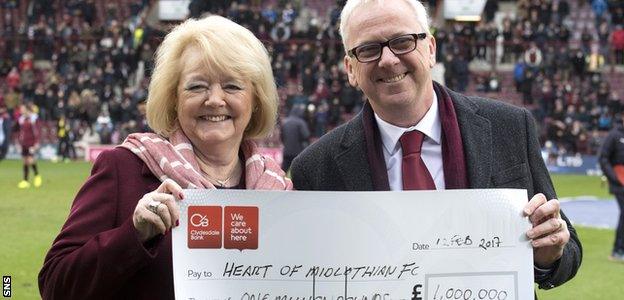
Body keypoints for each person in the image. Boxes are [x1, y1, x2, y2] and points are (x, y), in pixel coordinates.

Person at [291, 0, 581, 292]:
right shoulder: (315, 168)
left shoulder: (509, 126)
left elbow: (566, 251)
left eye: (403, 42)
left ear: (430, 49)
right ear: (350, 69)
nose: (388, 60)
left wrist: (548, 254)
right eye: (368, 50)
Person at [39, 15, 292, 300]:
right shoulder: (125, 169)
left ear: (255, 100)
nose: (215, 100)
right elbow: (54, 286)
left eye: (232, 86)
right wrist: (134, 235)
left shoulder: (280, 191)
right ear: (173, 98)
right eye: (197, 86)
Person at [598, 114, 624, 262]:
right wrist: (614, 177)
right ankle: (617, 250)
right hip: (619, 181)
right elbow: (603, 158)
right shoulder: (614, 135)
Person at [17, 102, 42, 188]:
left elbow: (37, 131)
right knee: (25, 161)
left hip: (31, 142)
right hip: (24, 143)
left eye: (22, 109)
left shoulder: (34, 118)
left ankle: (37, 176)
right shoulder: (21, 119)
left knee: (30, 160)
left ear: (27, 109)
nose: (21, 110)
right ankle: (25, 180)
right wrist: (19, 142)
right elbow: (20, 132)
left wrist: (37, 143)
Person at [280, 105, 310, 171]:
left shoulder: (285, 122)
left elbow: (282, 137)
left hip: (287, 151)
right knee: (298, 172)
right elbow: (306, 135)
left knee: (283, 170)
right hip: (298, 151)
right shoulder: (301, 122)